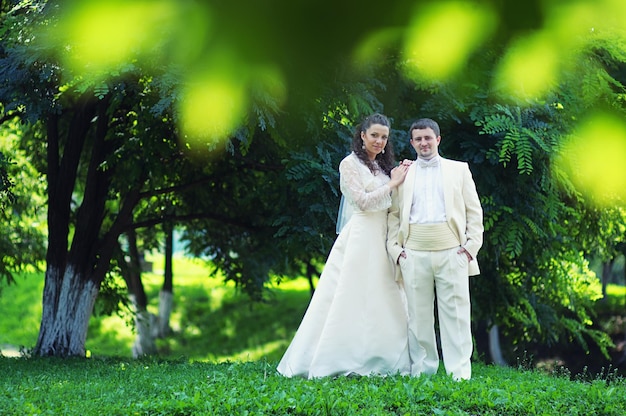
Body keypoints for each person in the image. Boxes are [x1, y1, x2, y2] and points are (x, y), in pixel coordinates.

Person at [277, 113, 411, 379]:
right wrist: (393, 184)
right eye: (374, 135)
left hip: (383, 235)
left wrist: (399, 177)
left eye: (384, 137)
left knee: (383, 294)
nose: (379, 141)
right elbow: (361, 201)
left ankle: (383, 357)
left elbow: (393, 202)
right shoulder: (349, 164)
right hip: (361, 235)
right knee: (351, 293)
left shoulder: (383, 168)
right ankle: (335, 357)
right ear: (362, 135)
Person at [387, 117, 483, 381]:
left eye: (428, 137)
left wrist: (470, 247)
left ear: (438, 139)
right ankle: (422, 371)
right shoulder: (403, 173)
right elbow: (393, 214)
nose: (423, 143)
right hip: (413, 252)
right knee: (418, 317)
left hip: (452, 251)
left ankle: (459, 373)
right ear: (412, 143)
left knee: (456, 314)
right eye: (418, 139)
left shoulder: (459, 170)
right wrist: (396, 251)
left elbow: (474, 211)